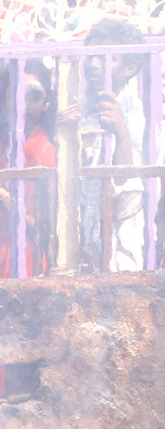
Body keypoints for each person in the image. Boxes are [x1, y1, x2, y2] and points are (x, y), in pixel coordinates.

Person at [61, 18, 153, 272]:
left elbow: (128, 205)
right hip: (77, 259)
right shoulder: (79, 108)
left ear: (130, 67)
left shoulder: (147, 121)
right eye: (90, 56)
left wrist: (121, 135)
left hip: (121, 261)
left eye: (105, 57)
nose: (93, 64)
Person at [0, 58, 57, 278]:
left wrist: (11, 204)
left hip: (29, 261)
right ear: (3, 100)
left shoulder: (45, 149)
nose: (23, 104)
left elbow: (50, 229)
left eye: (33, 95)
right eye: (15, 94)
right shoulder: (1, 143)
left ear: (47, 103)